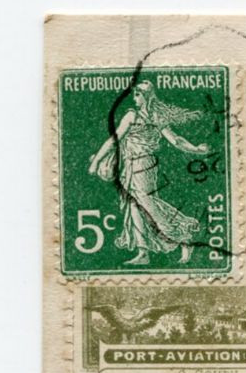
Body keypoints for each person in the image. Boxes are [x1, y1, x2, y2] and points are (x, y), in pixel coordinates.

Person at [85, 82, 212, 267]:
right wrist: (197, 149)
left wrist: (196, 149)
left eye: (138, 95)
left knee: (149, 205)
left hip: (143, 165)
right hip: (132, 165)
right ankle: (143, 252)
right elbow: (116, 140)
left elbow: (175, 140)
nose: (135, 98)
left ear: (147, 96)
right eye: (134, 95)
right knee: (134, 207)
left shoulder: (141, 116)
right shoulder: (142, 115)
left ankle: (183, 236)